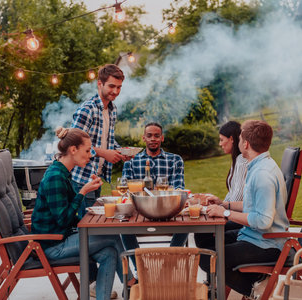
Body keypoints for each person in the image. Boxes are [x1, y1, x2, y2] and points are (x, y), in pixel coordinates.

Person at [31, 127, 131, 300]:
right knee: (113, 236)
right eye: (87, 151)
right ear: (73, 150)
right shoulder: (56, 177)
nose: (90, 155)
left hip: (62, 237)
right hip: (52, 246)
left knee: (109, 252)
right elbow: (63, 220)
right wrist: (82, 193)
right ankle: (131, 282)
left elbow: (67, 218)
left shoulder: (62, 172)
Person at [207, 120, 289, 298]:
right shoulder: (258, 166)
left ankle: (256, 289)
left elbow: (263, 220)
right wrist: (223, 204)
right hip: (254, 236)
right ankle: (253, 281)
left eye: (239, 139)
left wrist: (226, 214)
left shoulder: (262, 174)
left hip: (267, 243)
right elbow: (251, 205)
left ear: (245, 143)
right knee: (208, 247)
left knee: (211, 258)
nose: (237, 142)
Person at [70, 64, 130, 208]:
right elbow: (74, 146)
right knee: (90, 226)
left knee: (97, 224)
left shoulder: (112, 109)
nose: (115, 91)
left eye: (119, 87)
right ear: (99, 84)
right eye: (111, 86)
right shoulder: (87, 110)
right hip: (81, 180)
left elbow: (105, 139)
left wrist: (121, 151)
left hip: (96, 177)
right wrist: (104, 153)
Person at [194, 120, 248, 277]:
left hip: (241, 217)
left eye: (222, 140)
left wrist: (221, 208)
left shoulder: (242, 162)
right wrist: (219, 203)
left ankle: (216, 279)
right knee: (202, 231)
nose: (220, 144)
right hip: (237, 212)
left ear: (232, 139)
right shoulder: (237, 160)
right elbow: (233, 193)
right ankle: (214, 279)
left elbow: (237, 197)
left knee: (204, 232)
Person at [121, 122, 187, 249]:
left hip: (168, 211)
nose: (153, 139)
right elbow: (127, 192)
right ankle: (139, 267)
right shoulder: (131, 161)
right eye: (149, 135)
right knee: (123, 228)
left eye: (156, 136)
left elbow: (178, 189)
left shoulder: (175, 160)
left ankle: (168, 260)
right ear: (143, 138)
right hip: (140, 212)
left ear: (162, 138)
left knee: (186, 226)